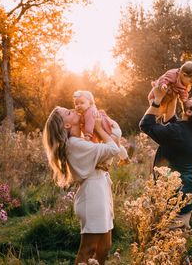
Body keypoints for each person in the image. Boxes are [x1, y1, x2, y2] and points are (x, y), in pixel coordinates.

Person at [43, 106, 120, 265]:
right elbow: (113, 149)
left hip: (100, 190)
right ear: (66, 125)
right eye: (68, 113)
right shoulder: (74, 144)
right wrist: (99, 128)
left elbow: (107, 154)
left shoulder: (82, 140)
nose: (73, 109)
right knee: (88, 250)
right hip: (92, 195)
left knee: (104, 247)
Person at [140, 83, 192, 229]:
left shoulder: (177, 132)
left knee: (163, 244)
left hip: (170, 201)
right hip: (185, 201)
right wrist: (174, 95)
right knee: (173, 246)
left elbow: (146, 125)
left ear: (189, 112)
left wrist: (157, 100)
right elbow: (172, 121)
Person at [73, 90, 130, 165]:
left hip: (112, 130)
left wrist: (87, 135)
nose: (78, 105)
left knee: (109, 147)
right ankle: (125, 159)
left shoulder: (89, 112)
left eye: (82, 103)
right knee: (117, 146)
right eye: (76, 104)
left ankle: (106, 164)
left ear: (90, 103)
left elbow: (89, 125)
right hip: (112, 128)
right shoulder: (85, 113)